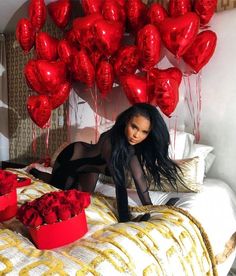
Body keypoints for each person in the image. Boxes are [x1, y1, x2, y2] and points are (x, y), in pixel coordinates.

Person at [29, 103, 183, 222]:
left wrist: (150, 209)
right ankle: (36, 171)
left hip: (89, 170)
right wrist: (124, 218)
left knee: (81, 197)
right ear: (126, 121)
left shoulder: (132, 147)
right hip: (72, 159)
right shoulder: (111, 141)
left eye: (144, 132)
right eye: (134, 127)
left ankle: (40, 171)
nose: (137, 135)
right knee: (58, 188)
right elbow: (119, 183)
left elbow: (139, 177)